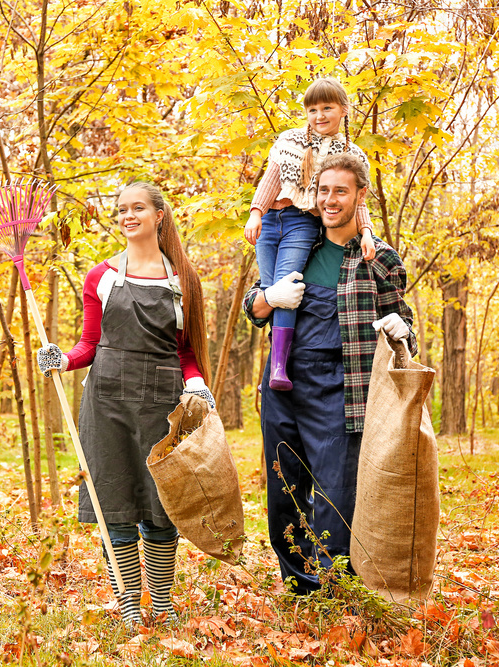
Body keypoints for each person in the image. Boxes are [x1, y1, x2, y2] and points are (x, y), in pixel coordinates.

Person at [36, 182, 213, 626]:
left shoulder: (183, 280)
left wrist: (197, 386)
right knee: (113, 502)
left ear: (159, 215)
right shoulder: (102, 276)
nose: (128, 216)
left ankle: (163, 602)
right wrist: (62, 359)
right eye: (121, 210)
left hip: (164, 405)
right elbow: (90, 345)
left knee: (160, 505)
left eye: (138, 208)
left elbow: (188, 352)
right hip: (107, 402)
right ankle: (130, 606)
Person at [242, 153, 418, 594]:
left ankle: (336, 591)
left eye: (340, 191)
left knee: (337, 497)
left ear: (360, 195)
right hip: (284, 383)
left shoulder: (380, 259)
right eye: (323, 191)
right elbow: (253, 307)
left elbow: (407, 333)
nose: (330, 200)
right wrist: (272, 297)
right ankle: (301, 591)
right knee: (284, 494)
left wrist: (402, 330)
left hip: (344, 390)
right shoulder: (300, 241)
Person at [243, 78, 377, 392]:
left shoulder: (351, 153)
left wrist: (367, 232)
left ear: (343, 110)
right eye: (312, 109)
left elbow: (358, 199)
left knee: (286, 286)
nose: (319, 115)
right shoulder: (290, 141)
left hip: (301, 223)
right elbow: (270, 181)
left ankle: (279, 368)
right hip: (270, 221)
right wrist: (255, 213)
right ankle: (274, 367)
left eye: (327, 107)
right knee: (268, 291)